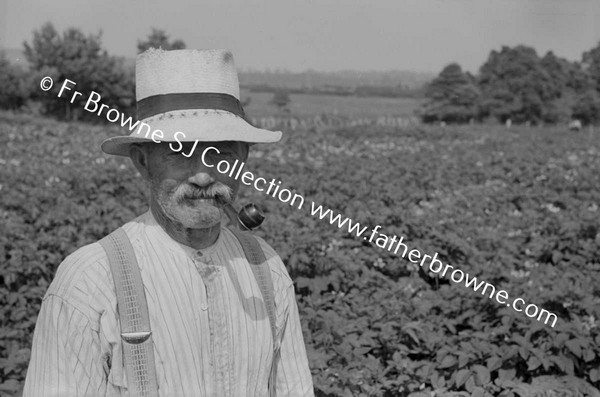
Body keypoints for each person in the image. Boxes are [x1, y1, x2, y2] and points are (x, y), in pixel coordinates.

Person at [23, 48, 314, 397]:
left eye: (220, 153)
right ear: (143, 161)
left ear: (243, 159)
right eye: (179, 153)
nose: (204, 177)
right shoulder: (90, 281)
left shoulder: (267, 269)